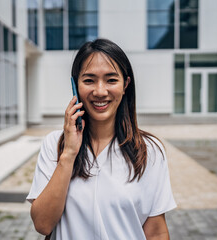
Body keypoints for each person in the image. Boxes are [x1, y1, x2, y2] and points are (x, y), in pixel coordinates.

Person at [27, 38, 176, 239]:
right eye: (89, 80)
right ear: (75, 85)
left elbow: (156, 232)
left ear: (125, 85)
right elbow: (43, 224)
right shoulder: (54, 144)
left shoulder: (149, 150)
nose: (100, 91)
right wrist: (69, 154)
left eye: (111, 80)